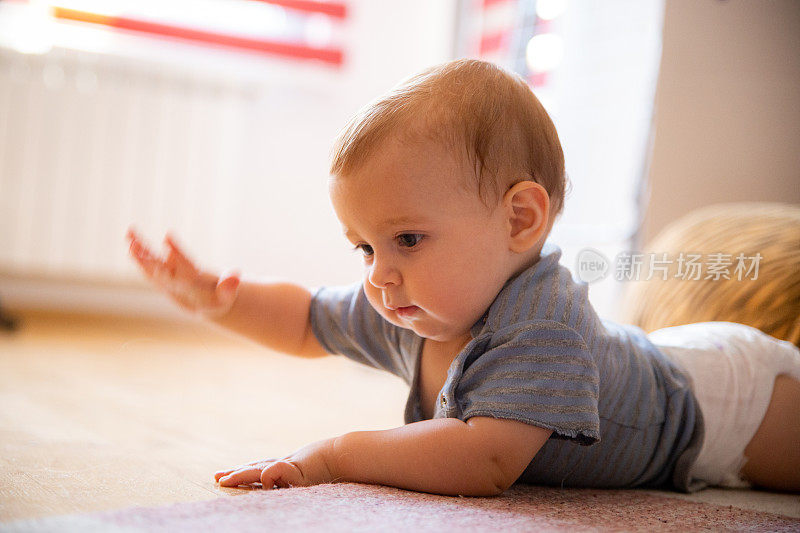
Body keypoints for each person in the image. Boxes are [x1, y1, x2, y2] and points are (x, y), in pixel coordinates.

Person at [126, 59, 800, 497]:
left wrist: (334, 455)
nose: (380, 274)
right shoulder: (413, 301)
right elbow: (306, 318)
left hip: (723, 406)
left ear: (519, 220)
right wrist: (220, 302)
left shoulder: (542, 320)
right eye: (363, 247)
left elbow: (485, 460)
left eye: (407, 239)